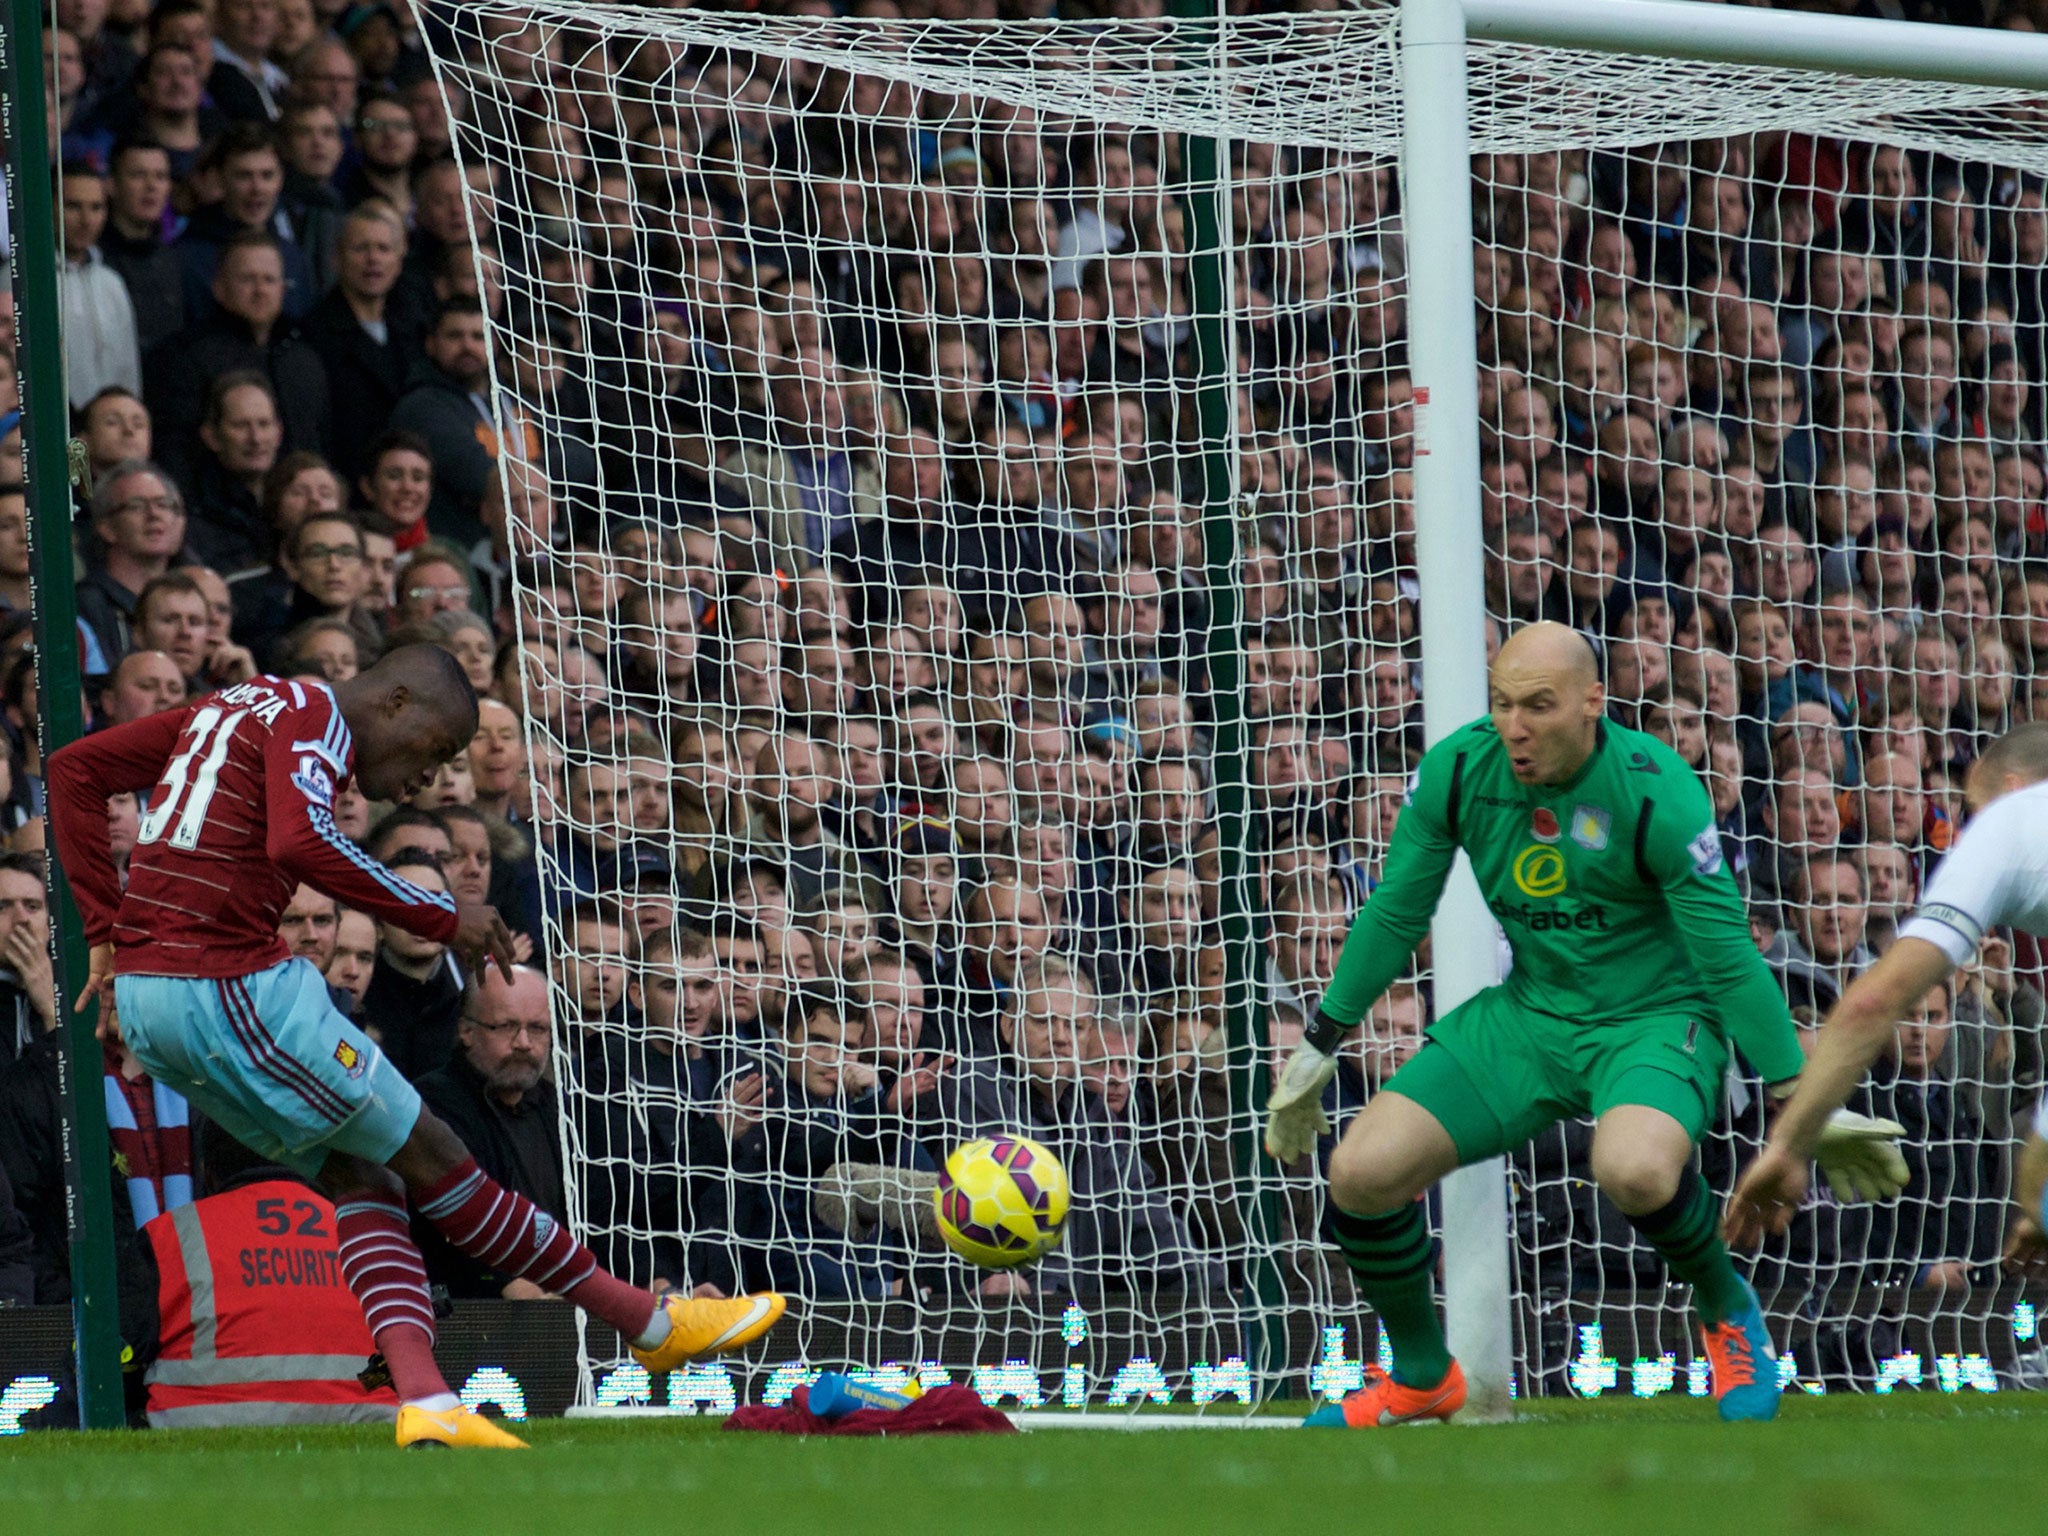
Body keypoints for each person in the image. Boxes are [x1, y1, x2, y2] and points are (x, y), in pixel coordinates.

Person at [45, 643, 788, 1450]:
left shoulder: (233, 709)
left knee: (362, 1173)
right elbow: (300, 844)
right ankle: (648, 1322)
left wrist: (103, 930)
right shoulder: (312, 714)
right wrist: (440, 914)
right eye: (433, 751)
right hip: (226, 984)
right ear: (396, 703)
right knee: (436, 1150)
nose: (424, 781)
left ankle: (427, 1399)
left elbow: (77, 769)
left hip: (157, 1004)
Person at [1264, 622, 1813, 1428]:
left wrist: (1796, 1096)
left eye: (1538, 706)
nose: (1514, 727)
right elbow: (1396, 910)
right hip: (1529, 1014)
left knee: (1630, 1167)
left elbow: (1728, 957)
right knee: (1361, 1172)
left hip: (1655, 1020)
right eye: (1502, 704)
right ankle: (1422, 1373)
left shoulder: (1657, 788)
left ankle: (1727, 1311)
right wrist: (1321, 1041)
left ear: (1594, 702)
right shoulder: (1458, 768)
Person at [1728, 723, 2048, 1257]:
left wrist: (1789, 1145)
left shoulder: (2011, 823)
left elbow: (1877, 1000)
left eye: (1973, 808)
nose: (1970, 827)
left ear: (2014, 788)